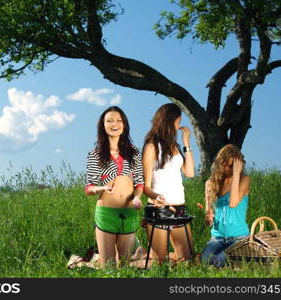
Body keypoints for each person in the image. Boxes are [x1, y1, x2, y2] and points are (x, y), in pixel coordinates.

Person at [84, 106, 144, 268]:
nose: (114, 124)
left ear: (124, 125)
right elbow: (88, 188)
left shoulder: (135, 153)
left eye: (118, 120)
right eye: (109, 121)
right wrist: (101, 188)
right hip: (106, 214)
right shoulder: (95, 154)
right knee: (108, 267)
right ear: (103, 125)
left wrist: (137, 197)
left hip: (129, 213)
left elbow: (139, 183)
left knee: (124, 265)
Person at [142, 103, 195, 264]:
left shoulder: (176, 146)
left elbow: (190, 173)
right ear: (169, 121)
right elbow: (145, 186)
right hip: (159, 210)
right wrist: (156, 196)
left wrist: (186, 143)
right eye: (178, 121)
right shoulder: (152, 146)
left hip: (179, 209)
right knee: (160, 262)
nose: (180, 125)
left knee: (188, 261)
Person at [201, 144, 250, 267]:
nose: (229, 169)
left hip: (239, 238)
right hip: (217, 237)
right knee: (204, 261)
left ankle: (229, 260)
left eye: (233, 166)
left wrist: (236, 174)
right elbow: (208, 221)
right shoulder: (210, 184)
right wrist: (208, 218)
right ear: (220, 163)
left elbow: (233, 203)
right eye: (228, 166)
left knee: (218, 261)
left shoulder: (244, 180)